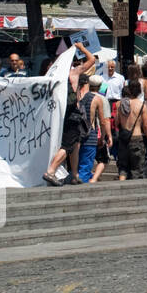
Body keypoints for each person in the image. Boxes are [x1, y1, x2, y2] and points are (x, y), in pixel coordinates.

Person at [41, 42, 95, 186]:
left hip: (58, 113)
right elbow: (92, 60)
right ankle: (51, 171)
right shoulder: (73, 73)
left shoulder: (52, 74)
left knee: (75, 143)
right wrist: (82, 48)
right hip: (73, 114)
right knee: (67, 145)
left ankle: (75, 175)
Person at [112, 80, 147, 181]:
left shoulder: (121, 105)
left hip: (124, 139)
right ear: (139, 91)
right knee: (137, 169)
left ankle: (121, 187)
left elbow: (116, 123)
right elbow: (146, 126)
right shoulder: (142, 105)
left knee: (123, 168)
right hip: (137, 138)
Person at [75, 76, 110, 183]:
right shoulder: (97, 99)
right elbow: (103, 121)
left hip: (74, 135)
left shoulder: (75, 96)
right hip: (89, 136)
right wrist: (103, 137)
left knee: (74, 168)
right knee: (85, 166)